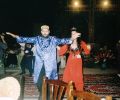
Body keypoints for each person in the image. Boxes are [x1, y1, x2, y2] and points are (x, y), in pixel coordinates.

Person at [6, 25, 80, 84]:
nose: (45, 32)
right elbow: (25, 39)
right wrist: (15, 36)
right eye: (43, 31)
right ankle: (42, 93)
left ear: (49, 31)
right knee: (39, 82)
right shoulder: (37, 39)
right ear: (41, 32)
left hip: (50, 65)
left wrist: (72, 38)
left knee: (51, 82)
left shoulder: (53, 39)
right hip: (40, 64)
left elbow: (63, 40)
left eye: (46, 31)